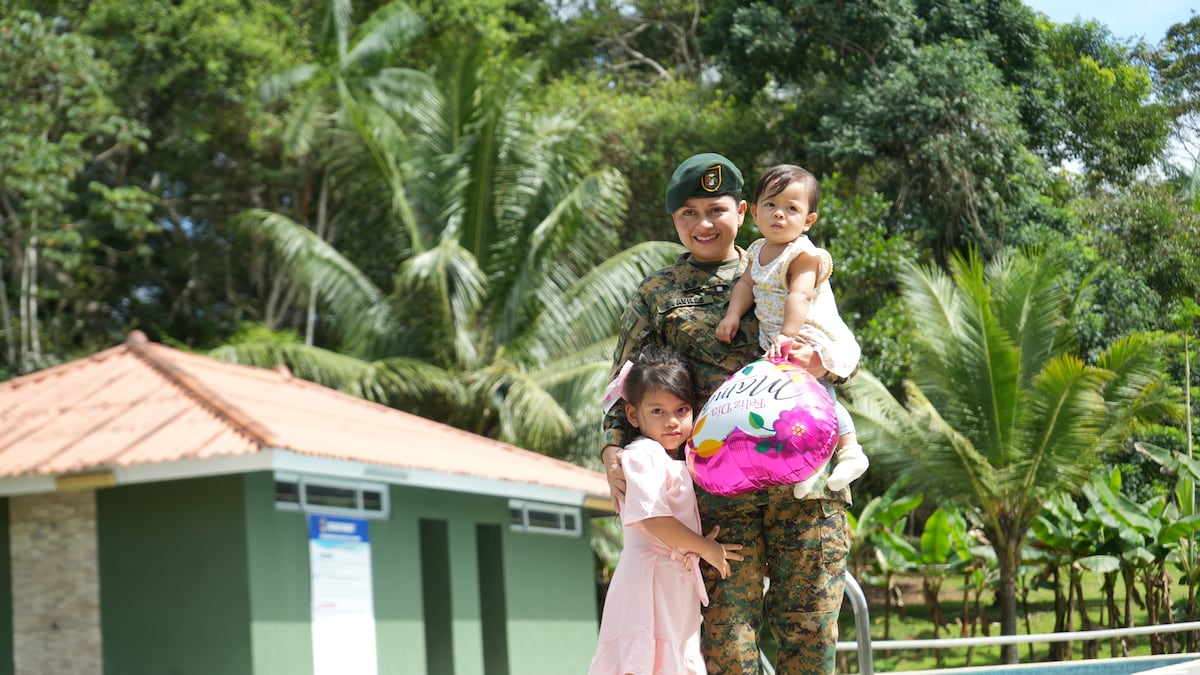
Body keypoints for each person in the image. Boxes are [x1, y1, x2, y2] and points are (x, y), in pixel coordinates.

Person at [601, 152, 857, 674]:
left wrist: (823, 363)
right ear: (674, 222)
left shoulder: (788, 261)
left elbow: (836, 342)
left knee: (809, 626)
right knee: (727, 640)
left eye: (715, 209)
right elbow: (623, 382)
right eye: (687, 213)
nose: (703, 224)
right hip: (717, 492)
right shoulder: (659, 294)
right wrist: (611, 446)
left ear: (742, 211)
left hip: (803, 478)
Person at [714, 163, 869, 498]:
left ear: (808, 220)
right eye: (771, 205)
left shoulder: (802, 254)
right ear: (754, 211)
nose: (779, 214)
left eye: (792, 208)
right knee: (794, 403)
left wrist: (787, 336)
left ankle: (849, 449)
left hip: (807, 335)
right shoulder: (756, 250)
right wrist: (732, 315)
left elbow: (799, 296)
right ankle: (811, 461)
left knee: (818, 395)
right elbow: (744, 285)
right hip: (778, 341)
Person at [590, 345, 745, 675]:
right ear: (633, 415)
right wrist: (705, 547)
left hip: (672, 582)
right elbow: (653, 518)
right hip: (648, 582)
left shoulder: (672, 459)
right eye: (657, 411)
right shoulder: (642, 454)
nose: (672, 421)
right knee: (647, 660)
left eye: (681, 409)